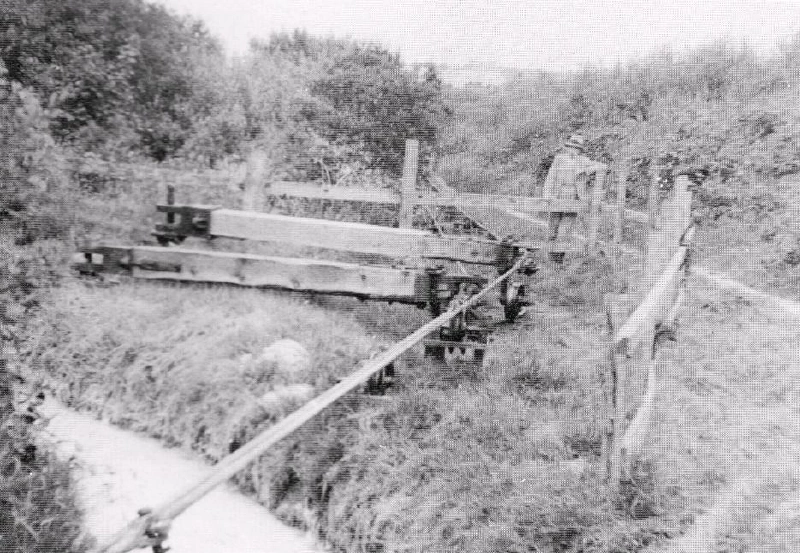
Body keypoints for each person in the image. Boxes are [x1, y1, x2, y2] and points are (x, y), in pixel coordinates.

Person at [541, 134, 606, 262]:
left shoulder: (583, 160)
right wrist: (547, 195)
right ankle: (551, 257)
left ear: (580, 150)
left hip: (574, 196)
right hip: (557, 194)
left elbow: (603, 166)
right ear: (567, 148)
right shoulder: (559, 159)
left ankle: (559, 258)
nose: (574, 151)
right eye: (572, 147)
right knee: (553, 227)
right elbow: (550, 177)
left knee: (566, 228)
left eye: (577, 148)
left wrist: (586, 171)